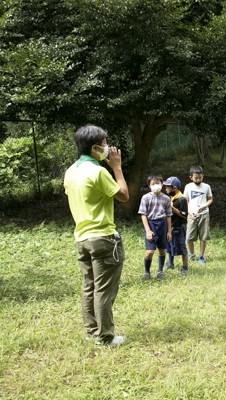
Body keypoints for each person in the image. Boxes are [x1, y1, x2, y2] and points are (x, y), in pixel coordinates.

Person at [64, 124, 129, 346]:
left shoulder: (71, 171)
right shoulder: (98, 171)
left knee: (89, 286)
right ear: (94, 147)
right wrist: (117, 168)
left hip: (82, 238)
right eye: (104, 144)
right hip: (103, 238)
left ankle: (92, 332)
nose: (107, 148)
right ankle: (105, 337)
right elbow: (123, 195)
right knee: (103, 289)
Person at [139, 174, 172, 281]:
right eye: (153, 183)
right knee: (150, 252)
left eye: (158, 183)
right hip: (151, 224)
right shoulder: (146, 197)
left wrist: (169, 231)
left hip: (162, 225)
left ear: (162, 184)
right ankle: (146, 271)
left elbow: (168, 215)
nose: (156, 185)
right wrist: (148, 230)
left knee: (162, 251)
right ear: (149, 185)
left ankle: (160, 271)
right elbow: (143, 214)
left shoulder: (166, 198)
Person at [183, 165, 213, 264]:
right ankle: (191, 254)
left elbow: (210, 199)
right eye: (196, 178)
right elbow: (185, 201)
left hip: (204, 214)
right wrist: (189, 212)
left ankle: (201, 256)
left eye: (200, 177)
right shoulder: (188, 187)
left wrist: (204, 206)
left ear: (203, 176)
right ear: (191, 177)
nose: (198, 179)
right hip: (192, 215)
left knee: (203, 236)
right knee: (189, 237)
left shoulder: (206, 186)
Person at [164, 176, 189, 276]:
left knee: (182, 248)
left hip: (178, 228)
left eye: (167, 187)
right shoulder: (170, 198)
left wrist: (172, 208)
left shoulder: (181, 199)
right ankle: (170, 263)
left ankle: (185, 267)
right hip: (170, 228)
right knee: (169, 247)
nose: (165, 189)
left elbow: (184, 215)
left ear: (174, 188)